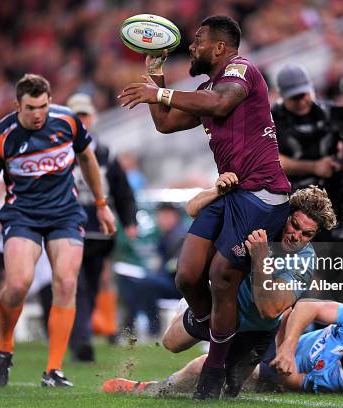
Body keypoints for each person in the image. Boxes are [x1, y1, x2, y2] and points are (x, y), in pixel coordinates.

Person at [118, 15, 291, 399]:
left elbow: (219, 103)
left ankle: (214, 372)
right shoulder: (207, 86)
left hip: (262, 193)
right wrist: (158, 78)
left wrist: (160, 94)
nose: (192, 47)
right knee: (186, 275)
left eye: (198, 41)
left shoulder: (240, 70)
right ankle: (219, 328)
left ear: (219, 47)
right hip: (231, 191)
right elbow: (164, 123)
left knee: (221, 275)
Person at [104, 177, 338, 397]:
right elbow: (192, 209)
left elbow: (270, 309)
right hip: (219, 308)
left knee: (227, 387)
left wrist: (260, 259)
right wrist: (217, 190)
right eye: (294, 225)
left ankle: (149, 389)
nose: (296, 236)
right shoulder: (261, 217)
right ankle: (190, 307)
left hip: (255, 330)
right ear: (286, 214)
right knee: (170, 343)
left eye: (306, 234)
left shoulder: (305, 260)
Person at [0, 74, 116, 388]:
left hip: (65, 214)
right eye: (31, 108)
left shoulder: (67, 121)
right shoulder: (2, 135)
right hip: (22, 215)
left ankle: (53, 370)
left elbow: (88, 158)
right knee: (19, 284)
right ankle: (4, 348)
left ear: (50, 101)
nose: (38, 114)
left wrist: (102, 203)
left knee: (66, 283)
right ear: (17, 105)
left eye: (43, 106)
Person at [102, 301, 343, 395]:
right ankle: (198, 311)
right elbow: (308, 306)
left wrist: (281, 357)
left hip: (274, 373)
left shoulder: (339, 381)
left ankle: (149, 389)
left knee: (206, 366)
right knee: (271, 308)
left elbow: (291, 380)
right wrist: (287, 344)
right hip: (282, 344)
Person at [66, 93, 138, 362]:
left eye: (85, 115)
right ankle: (81, 339)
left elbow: (122, 191)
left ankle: (78, 335)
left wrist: (129, 221)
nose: (82, 120)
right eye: (77, 115)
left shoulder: (105, 154)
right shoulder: (59, 153)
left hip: (99, 233)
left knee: (92, 286)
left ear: (93, 118)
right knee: (76, 285)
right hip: (68, 230)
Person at [272, 64, 340, 192]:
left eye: (303, 95)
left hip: (333, 189)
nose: (301, 102)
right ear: (282, 95)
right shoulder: (271, 120)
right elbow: (271, 160)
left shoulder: (330, 112)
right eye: (294, 98)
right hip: (294, 193)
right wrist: (314, 167)